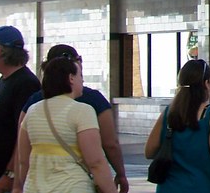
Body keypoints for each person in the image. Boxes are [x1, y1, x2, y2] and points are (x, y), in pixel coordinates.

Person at [20, 44, 130, 191]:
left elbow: (23, 160)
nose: (82, 81)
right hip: (72, 186)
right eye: (80, 76)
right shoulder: (82, 111)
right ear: (71, 78)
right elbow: (96, 162)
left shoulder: (32, 111)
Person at [144, 60, 210, 193]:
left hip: (169, 188)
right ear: (206, 83)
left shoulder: (169, 113)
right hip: (204, 186)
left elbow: (149, 151)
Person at [0, 26, 41, 193]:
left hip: (7, 178)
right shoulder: (5, 81)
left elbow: (23, 134)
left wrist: (11, 174)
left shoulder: (25, 84)